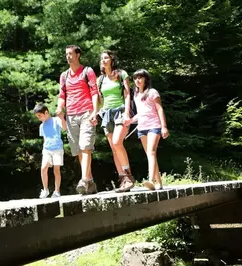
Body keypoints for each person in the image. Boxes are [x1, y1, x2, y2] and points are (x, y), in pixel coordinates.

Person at [56, 44, 99, 195]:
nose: (68, 56)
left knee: (85, 146)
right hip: (71, 115)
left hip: (87, 112)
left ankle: (84, 180)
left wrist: (94, 111)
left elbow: (94, 92)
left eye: (70, 54)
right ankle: (90, 182)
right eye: (66, 54)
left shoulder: (87, 71)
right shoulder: (64, 76)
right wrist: (59, 108)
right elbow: (62, 96)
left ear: (77, 55)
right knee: (79, 151)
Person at [98, 50, 135, 192]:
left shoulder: (121, 74)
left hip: (120, 111)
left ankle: (128, 176)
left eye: (106, 57)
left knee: (117, 142)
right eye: (102, 58)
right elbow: (100, 100)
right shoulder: (100, 79)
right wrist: (96, 112)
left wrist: (126, 113)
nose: (103, 60)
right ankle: (123, 180)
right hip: (106, 114)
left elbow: (127, 94)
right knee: (114, 150)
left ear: (112, 59)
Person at [127, 69, 169, 190]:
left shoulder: (152, 92)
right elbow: (140, 113)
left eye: (140, 77)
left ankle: (150, 180)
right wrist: (130, 121)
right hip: (142, 127)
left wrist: (164, 127)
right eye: (135, 78)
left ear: (146, 79)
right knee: (150, 155)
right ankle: (159, 182)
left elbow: (159, 109)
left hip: (154, 126)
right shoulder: (136, 94)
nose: (137, 80)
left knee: (151, 152)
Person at [34, 103, 67, 198]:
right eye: (37, 117)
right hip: (47, 149)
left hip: (57, 148)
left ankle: (57, 191)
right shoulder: (41, 126)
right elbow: (45, 138)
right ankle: (45, 190)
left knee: (56, 170)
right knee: (43, 168)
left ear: (46, 112)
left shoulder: (56, 120)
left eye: (40, 116)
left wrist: (61, 117)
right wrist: (44, 149)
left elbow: (64, 128)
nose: (39, 118)